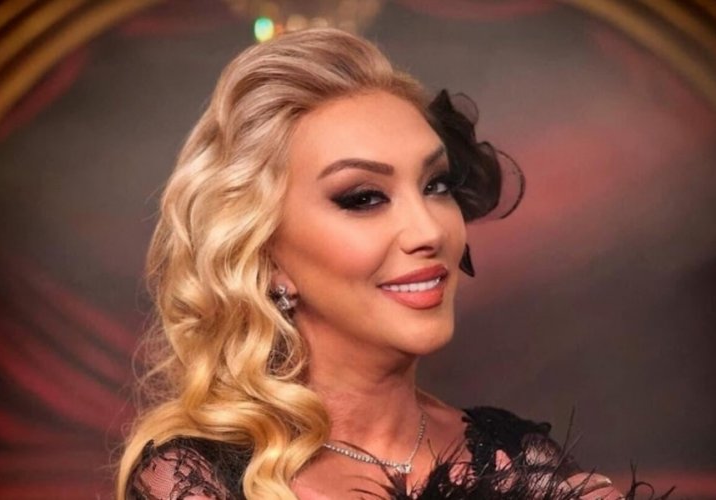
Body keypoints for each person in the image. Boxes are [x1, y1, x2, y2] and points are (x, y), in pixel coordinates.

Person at [117, 28, 633, 499]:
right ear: (268, 255)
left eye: (436, 185)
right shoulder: (196, 480)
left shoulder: (519, 462)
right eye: (363, 198)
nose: (429, 231)